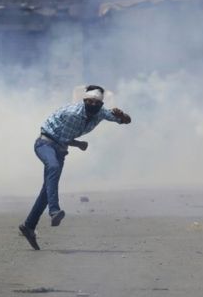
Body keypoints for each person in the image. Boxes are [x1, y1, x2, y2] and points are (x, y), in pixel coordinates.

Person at [18, 85, 131, 250]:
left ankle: (28, 226)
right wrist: (79, 144)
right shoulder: (73, 114)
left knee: (46, 191)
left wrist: (123, 116)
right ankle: (54, 211)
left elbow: (125, 121)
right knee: (54, 167)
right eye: (89, 102)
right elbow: (63, 139)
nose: (93, 105)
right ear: (84, 101)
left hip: (60, 150)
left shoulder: (101, 112)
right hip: (45, 144)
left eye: (96, 103)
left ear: (101, 104)